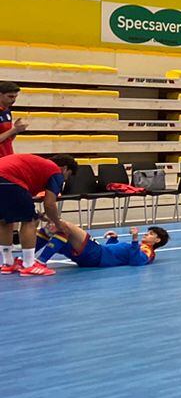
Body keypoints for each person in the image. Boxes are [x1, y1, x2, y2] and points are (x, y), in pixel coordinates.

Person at [0, 151, 75, 277]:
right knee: (30, 221)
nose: (65, 179)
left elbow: (22, 201)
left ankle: (8, 263)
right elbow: (49, 204)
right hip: (9, 179)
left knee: (4, 221)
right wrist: (57, 223)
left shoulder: (39, 167)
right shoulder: (55, 171)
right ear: (65, 168)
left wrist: (39, 214)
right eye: (68, 175)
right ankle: (29, 265)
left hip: (5, 176)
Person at [37, 220, 168, 267]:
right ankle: (29, 261)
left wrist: (134, 239)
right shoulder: (140, 247)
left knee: (66, 226)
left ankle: (40, 262)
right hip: (93, 256)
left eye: (151, 234)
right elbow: (119, 254)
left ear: (157, 241)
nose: (146, 234)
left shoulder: (148, 251)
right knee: (53, 228)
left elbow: (136, 262)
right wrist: (113, 239)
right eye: (148, 232)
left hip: (97, 255)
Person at [0, 82, 30, 270]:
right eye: (10, 97)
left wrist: (15, 132)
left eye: (16, 96)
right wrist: (14, 130)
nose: (14, 100)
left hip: (8, 161)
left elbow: (7, 139)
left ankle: (7, 257)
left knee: (7, 214)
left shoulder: (7, 111)